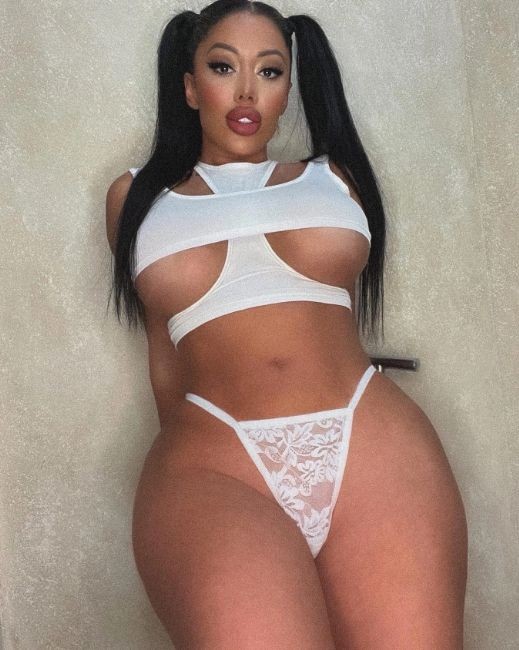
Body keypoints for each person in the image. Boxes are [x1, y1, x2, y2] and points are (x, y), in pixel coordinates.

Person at [105, 1, 468, 647]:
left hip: (372, 444)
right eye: (223, 67)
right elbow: (163, 353)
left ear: (288, 88)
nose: (247, 91)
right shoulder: (135, 198)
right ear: (189, 86)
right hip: (216, 465)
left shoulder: (334, 180)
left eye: (269, 71)